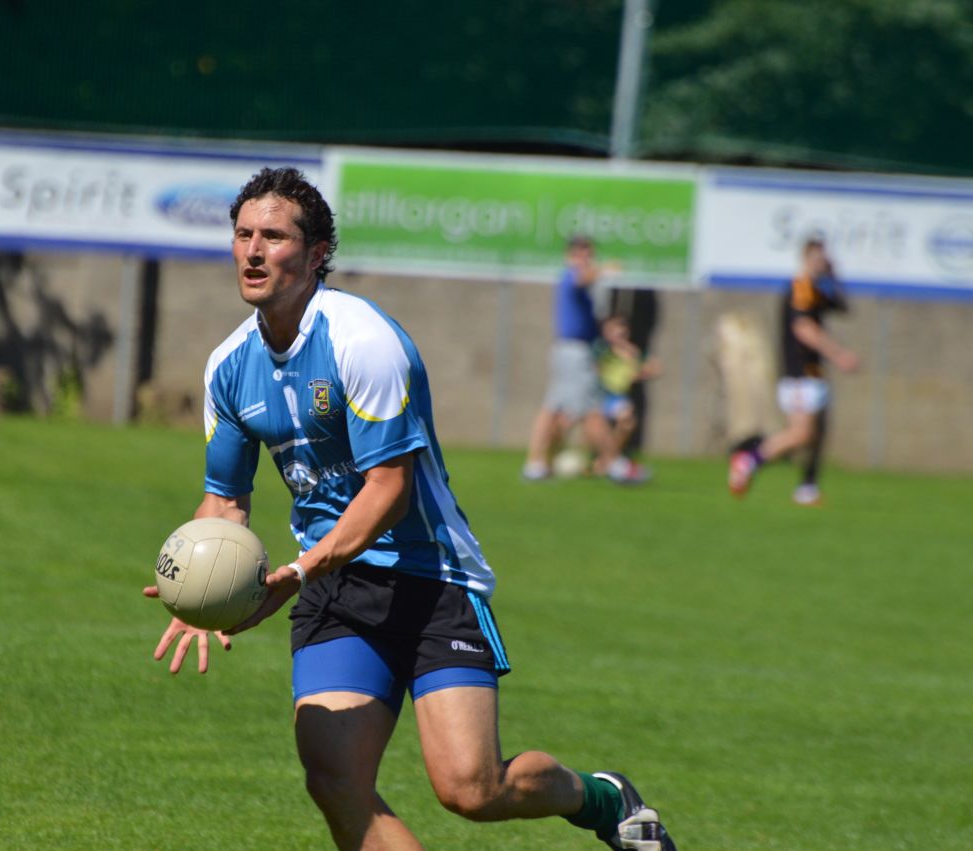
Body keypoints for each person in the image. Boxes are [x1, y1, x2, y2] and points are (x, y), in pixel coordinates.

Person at [142, 168, 676, 851]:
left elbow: (388, 491)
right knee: (335, 779)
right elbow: (225, 498)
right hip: (334, 588)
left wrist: (298, 571)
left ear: (315, 254)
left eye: (272, 236)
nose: (252, 250)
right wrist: (202, 579)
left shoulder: (363, 341)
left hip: (430, 577)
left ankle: (604, 798)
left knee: (470, 788)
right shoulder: (228, 366)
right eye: (243, 233)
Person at [729, 237, 859, 504]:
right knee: (801, 433)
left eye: (824, 259)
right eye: (817, 259)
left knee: (817, 433)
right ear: (806, 259)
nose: (821, 263)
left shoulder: (817, 290)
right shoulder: (800, 289)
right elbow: (804, 329)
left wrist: (834, 277)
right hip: (799, 374)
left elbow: (844, 307)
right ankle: (749, 459)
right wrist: (839, 354)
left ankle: (807, 487)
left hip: (813, 373)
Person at [522, 236, 647, 484]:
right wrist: (605, 269)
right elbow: (583, 277)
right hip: (574, 353)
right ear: (570, 256)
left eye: (589, 254)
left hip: (574, 352)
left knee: (555, 407)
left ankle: (535, 462)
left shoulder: (582, 285)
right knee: (590, 409)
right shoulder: (572, 275)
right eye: (581, 254)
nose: (586, 259)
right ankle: (614, 463)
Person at [595, 314, 661, 457]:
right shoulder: (600, 348)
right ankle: (604, 458)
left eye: (622, 332)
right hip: (598, 394)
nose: (619, 335)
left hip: (616, 396)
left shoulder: (631, 352)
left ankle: (609, 458)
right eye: (613, 330)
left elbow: (655, 368)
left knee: (627, 422)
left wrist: (638, 374)